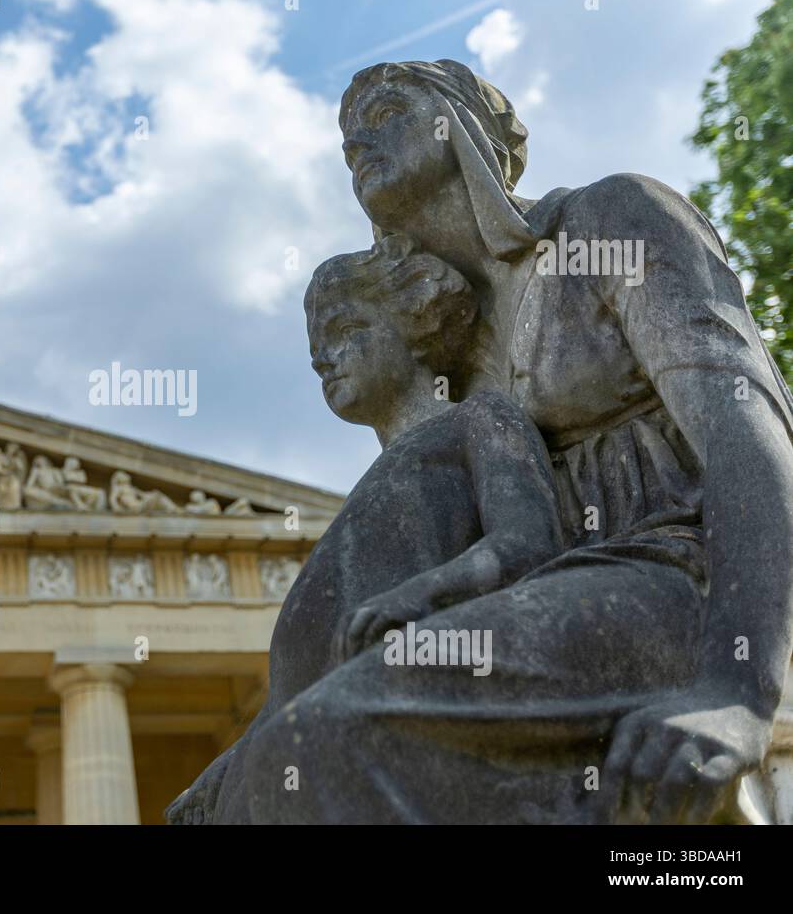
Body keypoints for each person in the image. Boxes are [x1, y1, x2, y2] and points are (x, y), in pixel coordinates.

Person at [224, 59, 793, 825]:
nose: (357, 139)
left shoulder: (610, 219)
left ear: (464, 124)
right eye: (345, 133)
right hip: (551, 603)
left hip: (674, 578)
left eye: (387, 107)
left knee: (325, 739)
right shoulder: (439, 351)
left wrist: (735, 692)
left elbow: (751, 436)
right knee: (265, 782)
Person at [168, 235, 563, 824]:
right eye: (314, 348)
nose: (323, 358)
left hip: (395, 708)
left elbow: (528, 544)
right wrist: (233, 758)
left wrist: (424, 593)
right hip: (307, 736)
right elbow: (300, 670)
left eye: (343, 330)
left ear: (415, 321)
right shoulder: (360, 498)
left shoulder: (479, 420)